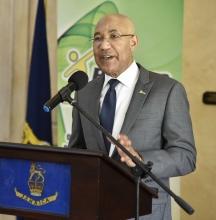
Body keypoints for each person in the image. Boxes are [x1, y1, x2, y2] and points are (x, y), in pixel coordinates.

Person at [67, 13, 196, 220]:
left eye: (114, 36)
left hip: (143, 211)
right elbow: (78, 150)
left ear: (133, 42)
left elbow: (186, 156)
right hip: (94, 209)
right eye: (98, 38)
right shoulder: (84, 93)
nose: (104, 45)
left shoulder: (168, 90)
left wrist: (142, 160)